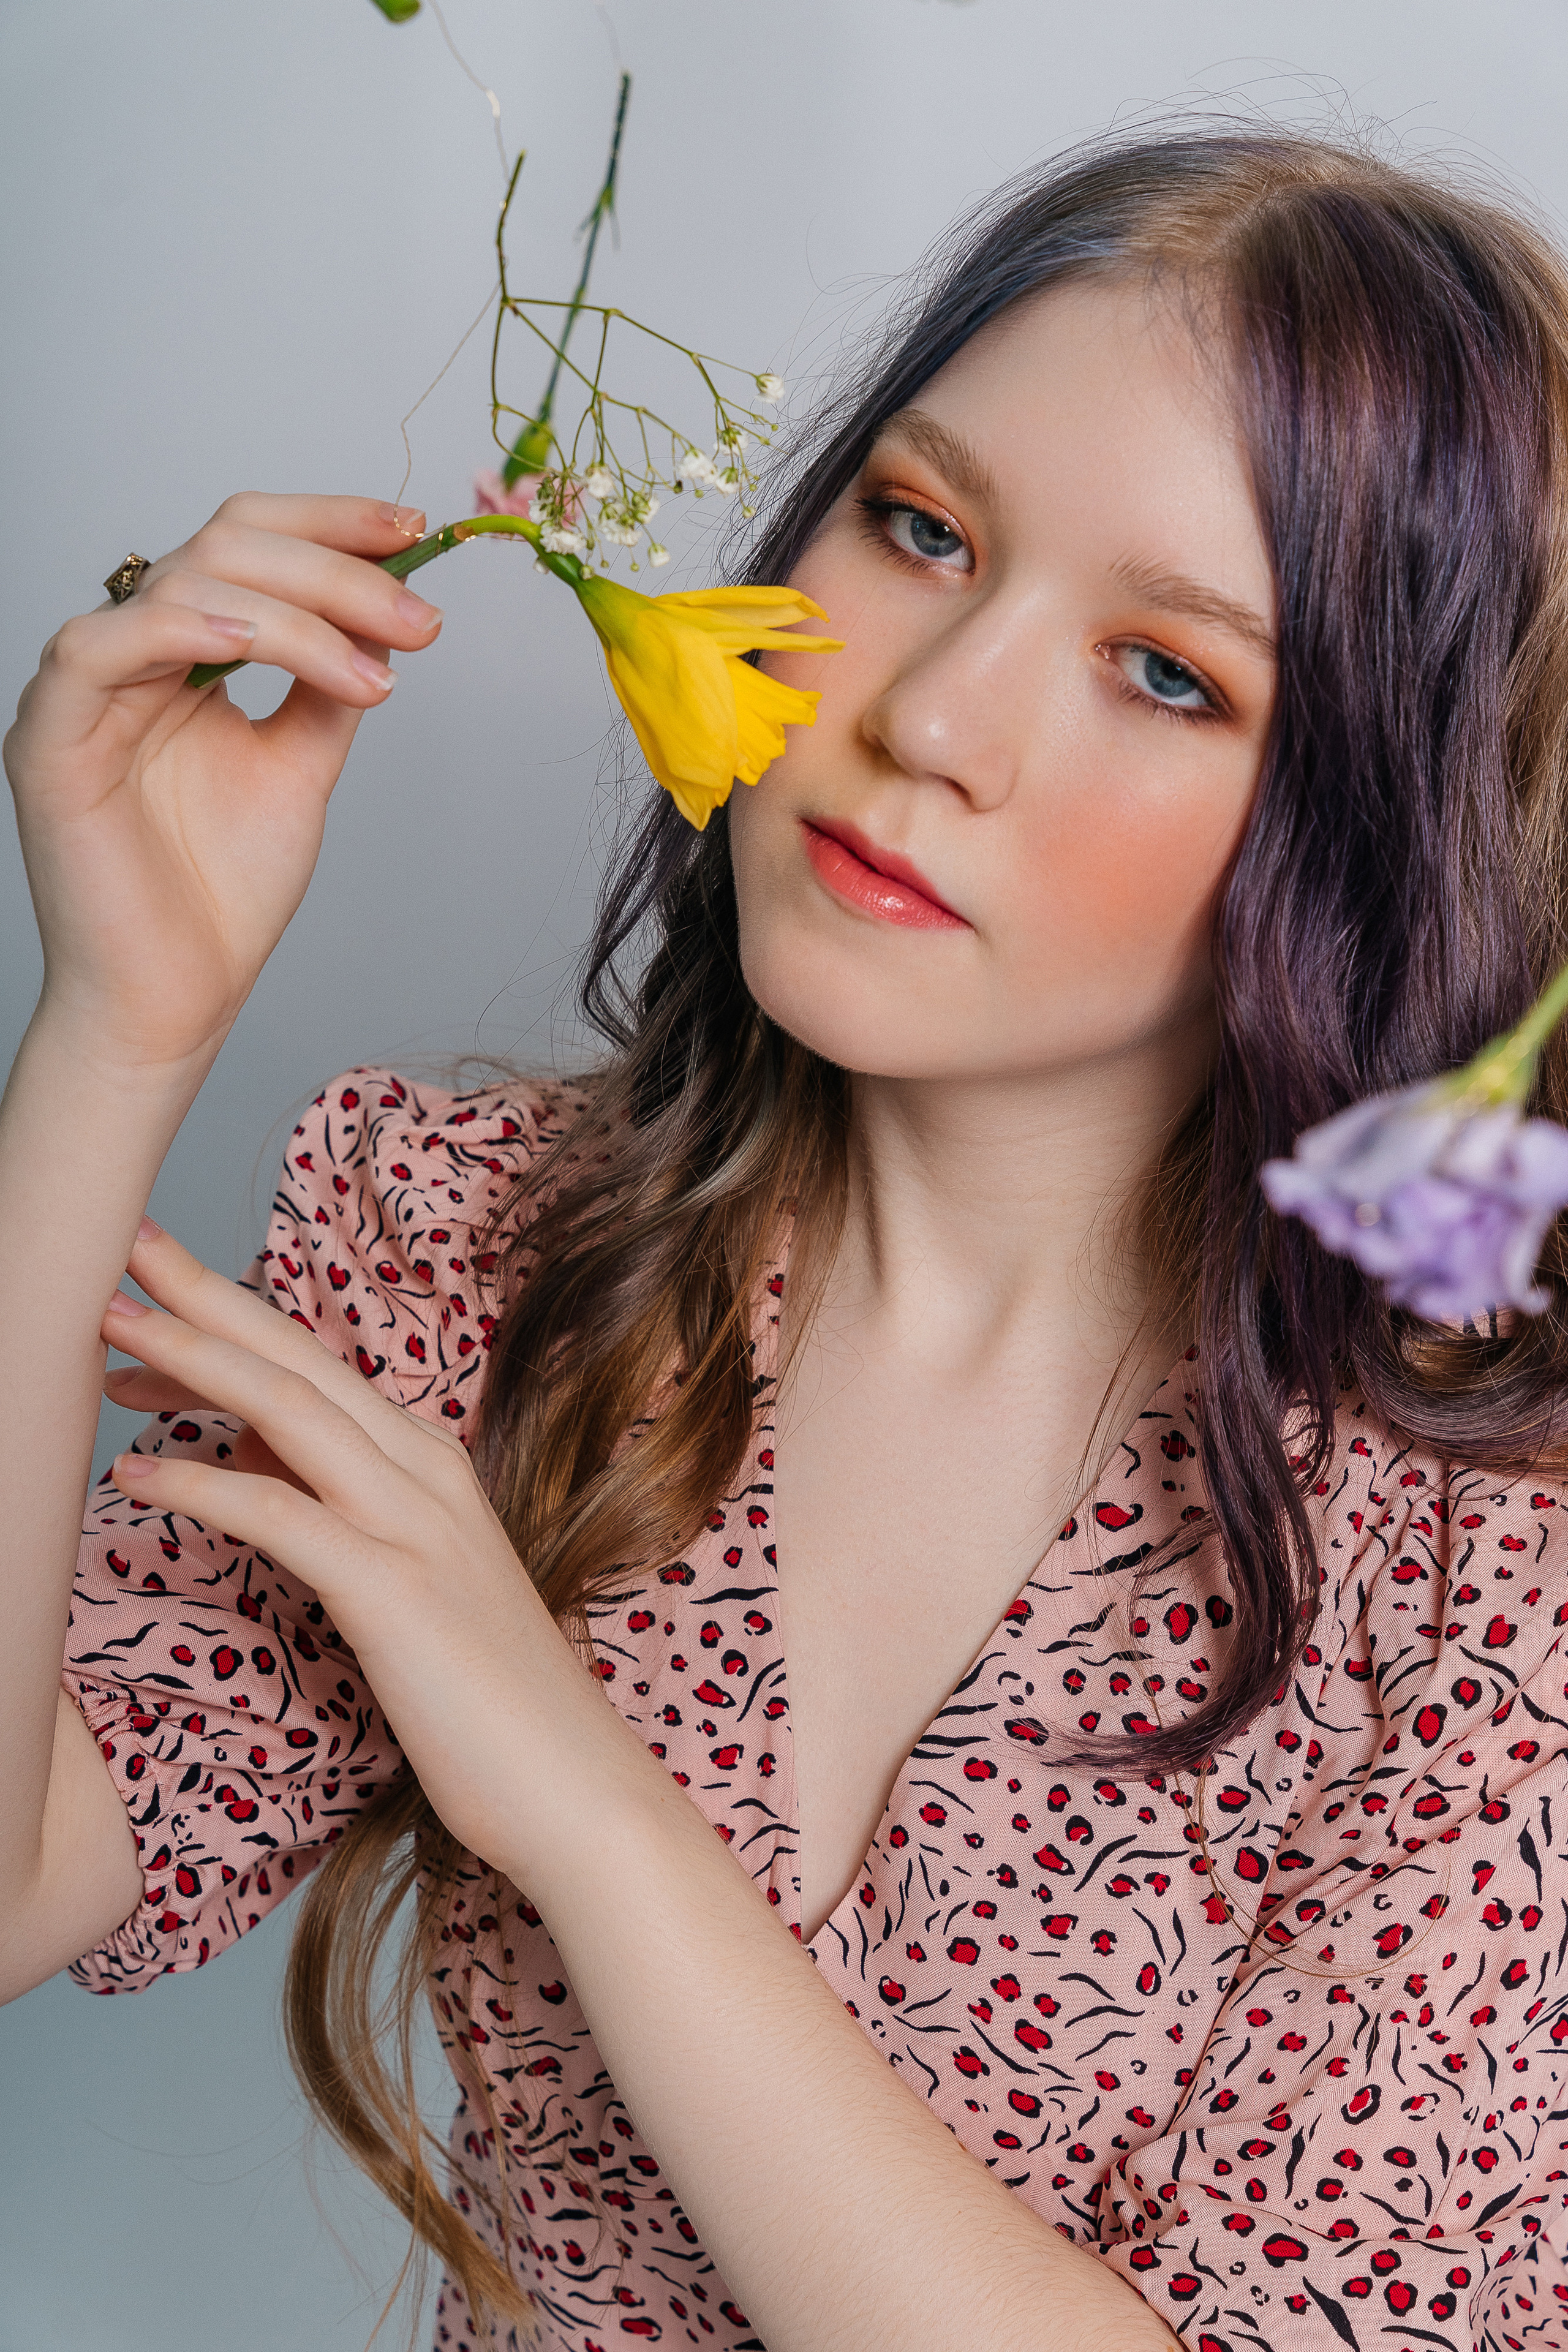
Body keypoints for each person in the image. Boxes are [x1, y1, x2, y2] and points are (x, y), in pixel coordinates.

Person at [4, 120, 1567, 2352]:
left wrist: (586, 1805)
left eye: (1166, 672)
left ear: (1383, 835)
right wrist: (115, 1027)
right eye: (922, 530)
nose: (927, 717)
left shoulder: (1488, 1553)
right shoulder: (476, 1259)